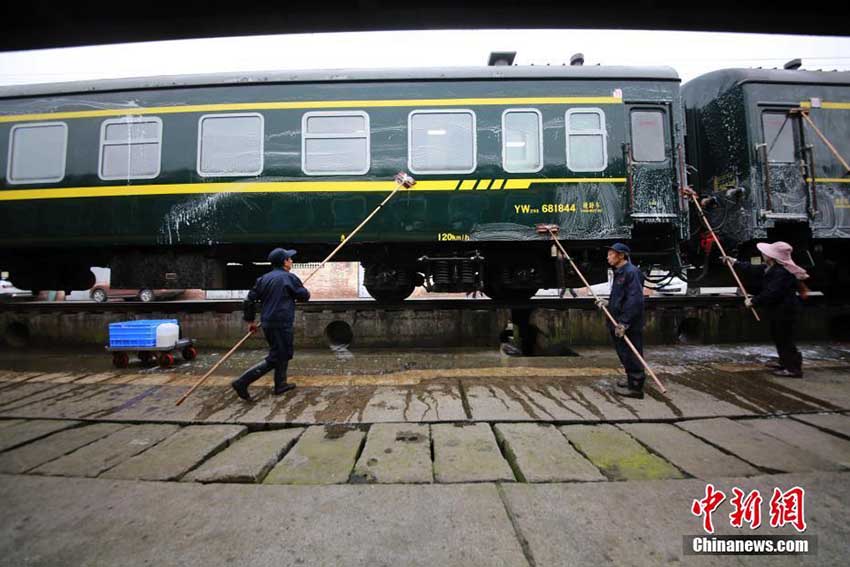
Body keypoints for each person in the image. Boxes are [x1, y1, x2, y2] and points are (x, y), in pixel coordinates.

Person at [231, 247, 311, 401]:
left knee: (283, 353)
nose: (291, 261)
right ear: (284, 262)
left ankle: (280, 384)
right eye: (289, 258)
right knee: (277, 356)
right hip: (281, 323)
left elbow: (249, 300)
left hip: (267, 323)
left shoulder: (263, 279)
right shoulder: (289, 278)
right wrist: (303, 289)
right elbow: (304, 296)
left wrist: (250, 321)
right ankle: (242, 382)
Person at [722, 241, 808, 378]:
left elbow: (772, 292)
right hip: (779, 310)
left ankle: (793, 368)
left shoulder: (782, 272)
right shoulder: (772, 267)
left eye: (766, 253)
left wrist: (754, 301)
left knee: (785, 339)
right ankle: (785, 362)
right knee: (779, 336)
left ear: (772, 257)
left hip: (785, 311)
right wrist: (735, 262)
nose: (763, 254)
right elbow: (753, 268)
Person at [596, 243, 647, 399]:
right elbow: (620, 297)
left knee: (632, 353)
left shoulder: (632, 272)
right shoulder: (620, 272)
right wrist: (608, 303)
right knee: (624, 353)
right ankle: (631, 380)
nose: (608, 257)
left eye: (611, 254)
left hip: (628, 323)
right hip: (618, 321)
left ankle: (636, 388)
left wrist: (624, 322)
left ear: (621, 255)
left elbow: (635, 300)